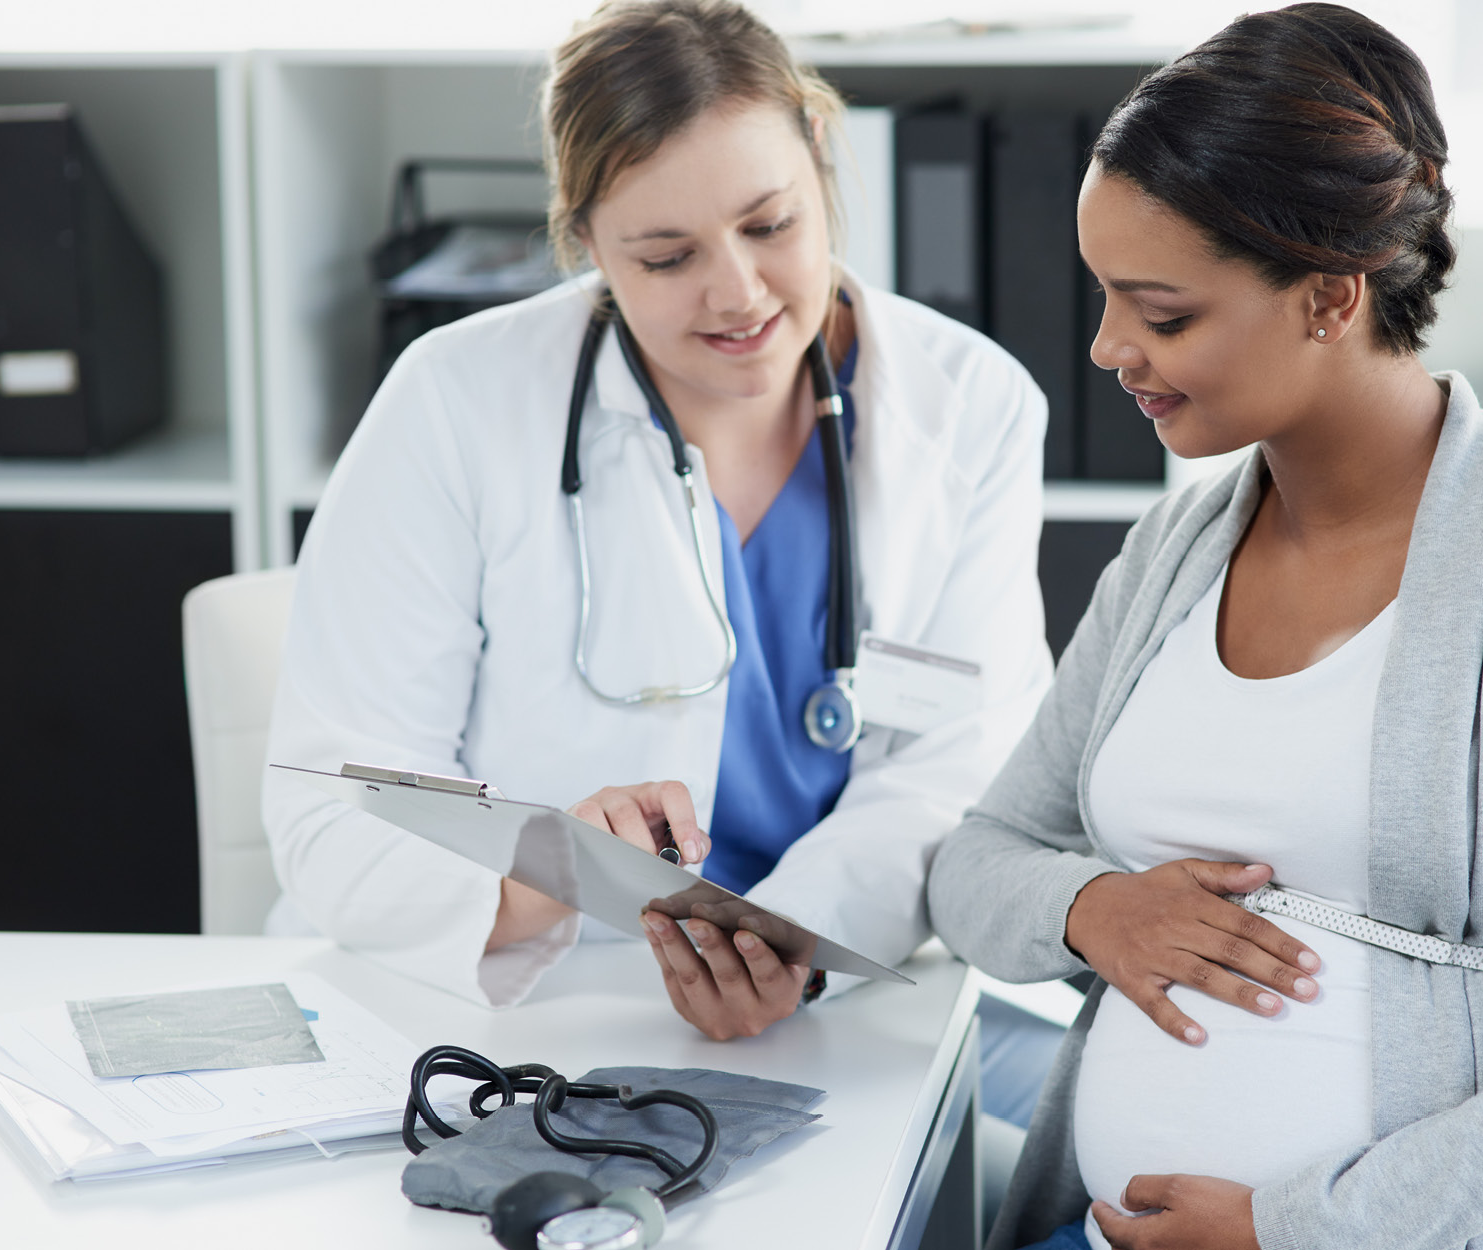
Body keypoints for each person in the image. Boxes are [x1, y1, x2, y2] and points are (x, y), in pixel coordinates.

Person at [925, 6, 1483, 1250]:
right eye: (1105, 297)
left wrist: (1299, 1223)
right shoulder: (1173, 555)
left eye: (1164, 312)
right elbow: (977, 863)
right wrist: (1094, 906)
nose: (1109, 348)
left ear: (1329, 296)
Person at [261, 0, 1053, 1056]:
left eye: (770, 225)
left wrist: (787, 941)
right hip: (507, 1012)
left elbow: (969, 768)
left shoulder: (971, 404)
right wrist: (552, 870)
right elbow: (335, 800)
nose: (740, 293)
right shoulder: (455, 400)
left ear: (823, 156)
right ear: (586, 238)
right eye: (666, 256)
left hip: (842, 992)